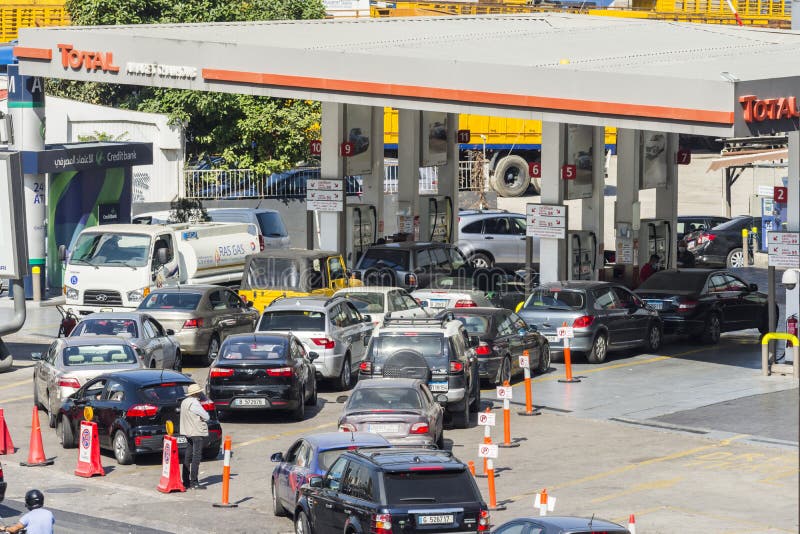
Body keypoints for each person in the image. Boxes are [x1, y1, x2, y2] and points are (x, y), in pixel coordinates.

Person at [180, 383, 210, 490]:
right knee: (196, 457)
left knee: (187, 456)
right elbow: (206, 416)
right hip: (196, 432)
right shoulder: (194, 403)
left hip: (187, 432)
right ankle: (194, 482)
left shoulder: (184, 402)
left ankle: (186, 481)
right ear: (197, 393)